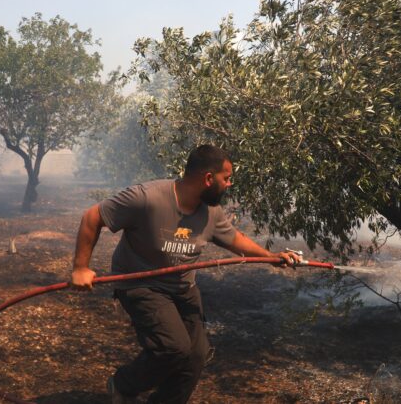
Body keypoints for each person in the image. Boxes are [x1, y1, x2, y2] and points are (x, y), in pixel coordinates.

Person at [71, 144, 300, 404]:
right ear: (207, 178)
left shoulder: (210, 212)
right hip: (140, 283)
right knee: (173, 348)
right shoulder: (147, 198)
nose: (230, 184)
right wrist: (80, 267)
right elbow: (92, 217)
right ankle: (123, 384)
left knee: (195, 356)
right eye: (226, 178)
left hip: (183, 289)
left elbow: (235, 239)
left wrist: (272, 259)